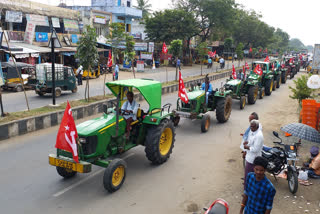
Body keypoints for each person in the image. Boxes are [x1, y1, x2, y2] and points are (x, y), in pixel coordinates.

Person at [242, 119, 264, 188]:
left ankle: (248, 190)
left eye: (253, 127)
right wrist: (247, 143)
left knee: (250, 176)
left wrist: (247, 147)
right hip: (249, 157)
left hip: (253, 159)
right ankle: (247, 188)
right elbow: (251, 141)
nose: (251, 128)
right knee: (247, 175)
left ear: (257, 127)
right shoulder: (252, 132)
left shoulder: (259, 136)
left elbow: (255, 149)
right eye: (250, 126)